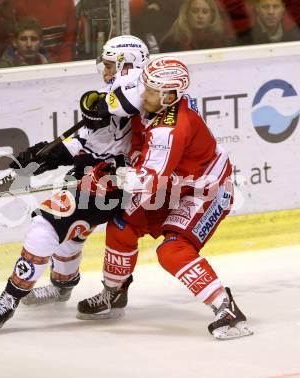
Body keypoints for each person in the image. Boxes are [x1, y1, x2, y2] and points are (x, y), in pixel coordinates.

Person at [77, 56, 253, 340]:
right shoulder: (157, 101)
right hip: (175, 182)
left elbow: (147, 182)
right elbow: (139, 144)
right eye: (144, 86)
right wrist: (124, 161)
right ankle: (114, 293)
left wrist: (112, 177)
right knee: (122, 225)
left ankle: (226, 307)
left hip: (206, 189)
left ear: (170, 96)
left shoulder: (169, 130)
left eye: (149, 91)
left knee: (171, 250)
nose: (142, 94)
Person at [0, 35, 150, 332]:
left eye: (110, 65)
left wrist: (101, 106)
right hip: (97, 176)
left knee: (45, 225)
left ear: (127, 64)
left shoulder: (138, 88)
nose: (105, 71)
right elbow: (87, 140)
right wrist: (41, 156)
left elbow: (125, 104)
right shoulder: (114, 90)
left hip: (116, 182)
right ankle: (62, 285)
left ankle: (10, 296)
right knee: (72, 232)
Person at [160, 0, 234, 52]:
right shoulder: (172, 42)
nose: (200, 16)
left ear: (212, 16)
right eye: (194, 11)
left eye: (205, 12)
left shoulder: (223, 42)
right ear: (186, 14)